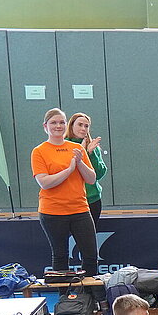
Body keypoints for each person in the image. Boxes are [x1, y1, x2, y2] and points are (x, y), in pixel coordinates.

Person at [30, 107, 99, 276]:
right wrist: (69, 170)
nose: (58, 126)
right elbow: (45, 182)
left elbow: (91, 179)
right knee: (60, 256)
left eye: (61, 122)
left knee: (91, 256)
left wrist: (79, 163)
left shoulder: (77, 148)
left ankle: (90, 291)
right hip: (52, 212)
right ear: (45, 126)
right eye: (53, 123)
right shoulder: (39, 151)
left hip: (80, 210)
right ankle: (64, 292)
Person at [66, 112, 106, 272]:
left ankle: (89, 279)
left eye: (86, 126)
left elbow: (99, 173)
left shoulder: (92, 147)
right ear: (71, 126)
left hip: (92, 200)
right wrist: (82, 152)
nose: (83, 128)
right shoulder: (64, 145)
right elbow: (68, 171)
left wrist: (90, 154)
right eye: (80, 125)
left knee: (89, 245)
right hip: (71, 201)